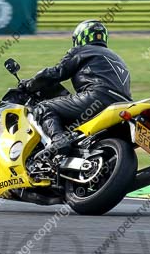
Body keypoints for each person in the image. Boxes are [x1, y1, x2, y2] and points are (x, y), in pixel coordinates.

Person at [19, 20, 132, 157]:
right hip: (123, 105)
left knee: (43, 107)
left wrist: (30, 84)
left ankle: (59, 142)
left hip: (97, 97)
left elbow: (56, 72)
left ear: (80, 37)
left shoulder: (82, 50)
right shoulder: (118, 59)